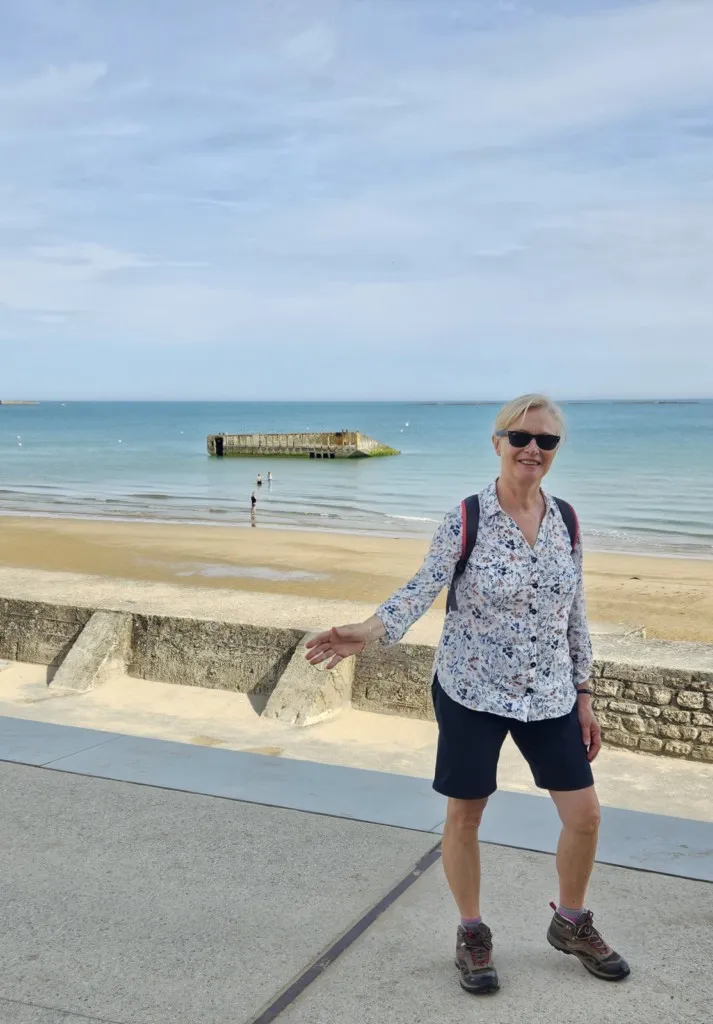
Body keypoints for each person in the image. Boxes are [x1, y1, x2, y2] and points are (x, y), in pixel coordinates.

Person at [305, 394, 629, 995]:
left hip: (549, 694)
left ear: (555, 450)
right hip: (471, 690)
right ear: (497, 441)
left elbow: (574, 612)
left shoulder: (567, 519)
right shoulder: (466, 517)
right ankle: (472, 933)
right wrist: (369, 631)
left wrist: (584, 692)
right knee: (465, 815)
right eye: (520, 436)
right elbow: (422, 586)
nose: (532, 448)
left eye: (546, 440)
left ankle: (571, 921)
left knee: (584, 816)